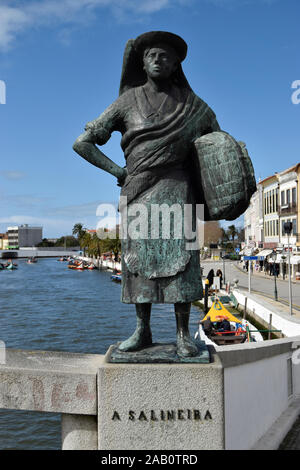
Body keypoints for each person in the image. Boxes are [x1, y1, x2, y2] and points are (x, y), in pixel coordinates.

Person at [73, 31, 228, 357]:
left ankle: (184, 334)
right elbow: (82, 143)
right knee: (138, 263)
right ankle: (142, 330)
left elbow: (218, 145)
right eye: (152, 56)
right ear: (142, 63)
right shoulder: (126, 102)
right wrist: (119, 171)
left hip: (179, 191)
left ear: (176, 65)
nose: (158, 61)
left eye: (166, 56)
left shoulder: (194, 108)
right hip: (138, 192)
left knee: (184, 263)